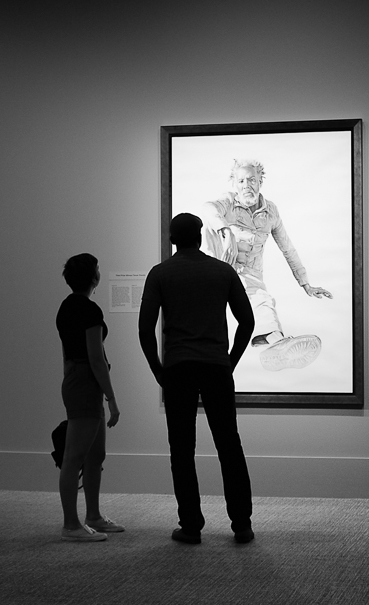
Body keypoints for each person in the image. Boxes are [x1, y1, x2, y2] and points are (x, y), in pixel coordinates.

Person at [138, 213, 257, 544]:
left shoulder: (161, 274)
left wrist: (157, 370)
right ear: (201, 236)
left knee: (181, 449)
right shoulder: (223, 271)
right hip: (216, 366)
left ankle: (191, 524)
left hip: (178, 368)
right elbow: (247, 321)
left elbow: (145, 328)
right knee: (229, 445)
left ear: (173, 238)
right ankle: (242, 524)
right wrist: (229, 360)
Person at [200, 159, 332, 370]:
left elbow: (287, 248)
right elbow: (207, 207)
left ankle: (276, 343)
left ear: (260, 181)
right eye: (241, 180)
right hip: (218, 265)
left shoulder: (271, 211)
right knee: (208, 223)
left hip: (249, 273)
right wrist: (225, 231)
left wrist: (306, 283)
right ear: (234, 183)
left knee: (263, 302)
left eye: (251, 180)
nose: (246, 185)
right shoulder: (228, 202)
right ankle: (272, 340)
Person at [55, 253, 124, 542]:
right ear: (93, 277)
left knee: (95, 455)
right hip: (86, 382)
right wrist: (111, 397)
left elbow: (68, 353)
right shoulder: (90, 311)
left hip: (76, 380)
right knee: (75, 457)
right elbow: (96, 357)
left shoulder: (65, 307)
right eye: (98, 269)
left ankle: (93, 515)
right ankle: (71, 525)